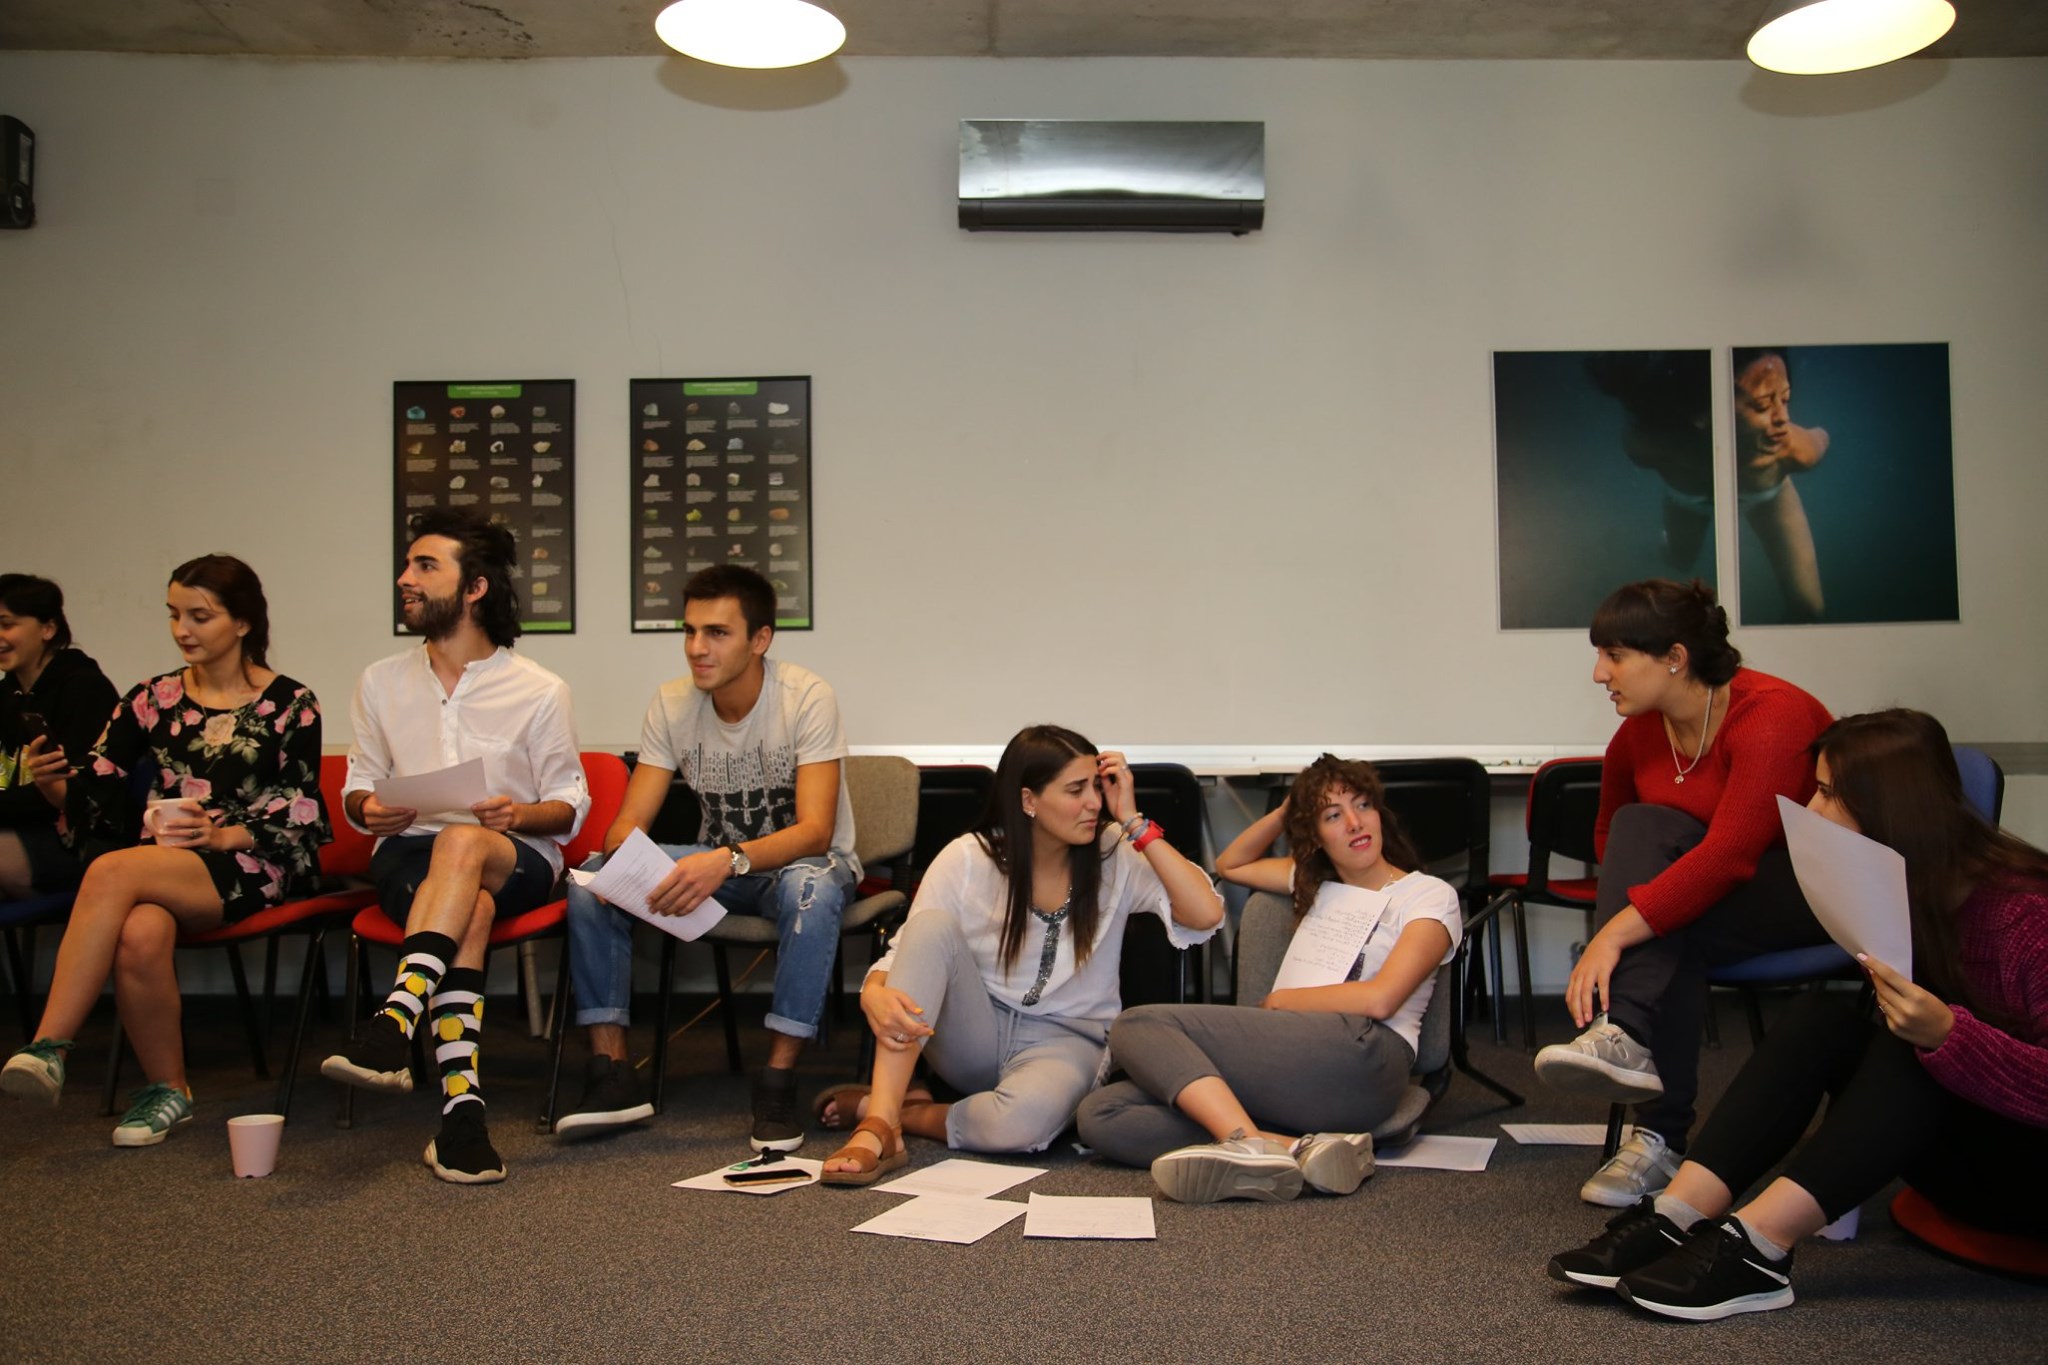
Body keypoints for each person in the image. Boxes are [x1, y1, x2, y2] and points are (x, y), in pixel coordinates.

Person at [1546, 709, 2048, 1320]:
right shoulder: (1911, 888)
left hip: (2025, 1179)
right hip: (1965, 1143)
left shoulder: (2025, 914)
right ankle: (1678, 1213)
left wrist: (1951, 1036)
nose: (1812, 809)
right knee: (1820, 1019)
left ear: (1893, 808)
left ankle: (1760, 1247)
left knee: (1920, 1048)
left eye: (1829, 794)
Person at [0, 556, 329, 1146]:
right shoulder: (153, 697)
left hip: (253, 860)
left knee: (112, 871)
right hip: (164, 864)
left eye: (200, 616)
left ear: (243, 622)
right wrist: (52, 785)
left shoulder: (291, 701)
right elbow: (94, 791)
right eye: (175, 615)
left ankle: (49, 1046)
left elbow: (301, 808)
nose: (183, 630)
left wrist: (223, 835)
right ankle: (168, 1091)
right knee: (139, 932)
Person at [1534, 578, 1832, 1206]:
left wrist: (1613, 934)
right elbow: (1612, 834)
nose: (1598, 674)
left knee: (1668, 922)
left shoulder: (1771, 715)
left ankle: (1649, 1106)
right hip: (1719, 903)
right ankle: (1640, 1077)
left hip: (1809, 890)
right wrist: (1642, 914)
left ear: (1675, 657)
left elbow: (1730, 857)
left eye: (1614, 656)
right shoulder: (1640, 732)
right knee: (1649, 838)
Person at [815, 725, 1223, 1185]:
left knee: (1020, 1126)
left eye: (1097, 786)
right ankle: (881, 1125)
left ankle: (899, 1113)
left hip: (1066, 1039)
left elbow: (1205, 913)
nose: (1094, 802)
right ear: (1029, 800)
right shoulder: (969, 858)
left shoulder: (1115, 854)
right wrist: (873, 990)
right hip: (976, 1032)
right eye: (1076, 790)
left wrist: (1134, 822)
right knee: (931, 926)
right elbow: (910, 946)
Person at [321, 510, 588, 1185]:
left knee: (466, 842)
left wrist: (518, 812)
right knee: (471, 908)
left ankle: (397, 1016)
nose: (404, 578)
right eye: (407, 565)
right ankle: (461, 1119)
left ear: (474, 588)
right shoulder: (380, 681)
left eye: (424, 566)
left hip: (515, 854)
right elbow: (356, 784)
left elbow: (568, 804)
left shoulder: (539, 688)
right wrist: (367, 808)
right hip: (410, 854)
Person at [559, 564, 859, 1151]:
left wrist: (726, 860)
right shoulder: (672, 703)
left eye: (717, 633)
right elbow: (630, 822)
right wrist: (621, 859)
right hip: (722, 868)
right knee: (591, 879)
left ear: (760, 639)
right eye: (691, 631)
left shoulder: (806, 697)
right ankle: (612, 1072)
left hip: (803, 867)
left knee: (811, 889)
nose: (697, 648)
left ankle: (777, 1082)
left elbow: (816, 832)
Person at [1076, 754, 1463, 1204]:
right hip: (1295, 1066)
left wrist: (1282, 1001)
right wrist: (1289, 810)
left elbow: (1382, 999)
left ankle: (1248, 1142)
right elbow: (1231, 864)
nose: (1355, 823)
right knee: (1102, 1114)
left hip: (1367, 1058)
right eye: (1333, 816)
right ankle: (1289, 1148)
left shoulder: (1427, 894)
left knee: (1137, 1025)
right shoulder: (1312, 881)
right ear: (1313, 835)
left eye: (1363, 805)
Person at [0, 574, 117, 899]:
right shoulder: (6, 694)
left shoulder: (85, 688)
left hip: (73, 841)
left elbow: (74, 794)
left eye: (6, 624)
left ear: (48, 629)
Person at [1731, 348, 1828, 624]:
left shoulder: (1797, 451)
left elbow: (1821, 437)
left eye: (1785, 399)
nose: (1783, 417)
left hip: (1767, 495)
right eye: (1763, 404)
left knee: (1809, 610)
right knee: (1679, 557)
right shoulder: (1660, 444)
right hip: (1690, 496)